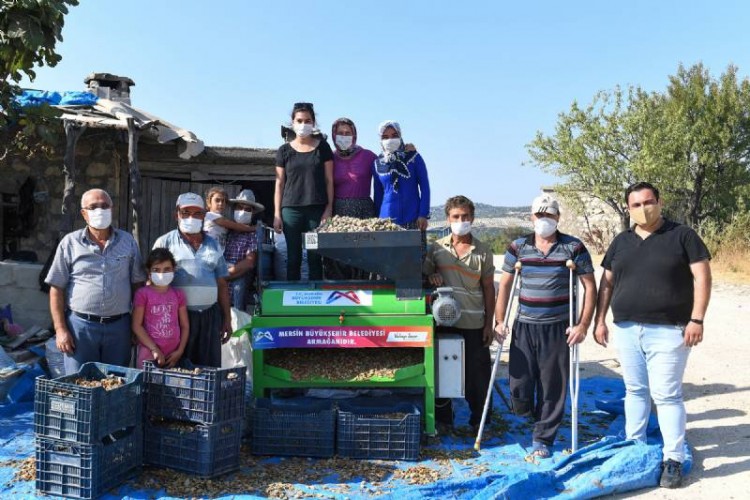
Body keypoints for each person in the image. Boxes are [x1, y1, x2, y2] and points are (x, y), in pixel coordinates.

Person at [594, 182, 711, 489]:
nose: (643, 209)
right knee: (634, 391)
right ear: (628, 209)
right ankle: (635, 446)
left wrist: (696, 319)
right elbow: (606, 284)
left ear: (659, 201)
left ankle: (672, 459)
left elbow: (702, 276)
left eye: (648, 202)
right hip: (627, 329)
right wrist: (599, 320)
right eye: (636, 205)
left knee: (667, 395)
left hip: (670, 330)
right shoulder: (621, 242)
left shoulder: (682, 236)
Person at [494, 194, 597, 458]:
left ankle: (543, 437)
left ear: (557, 218)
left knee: (552, 385)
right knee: (519, 383)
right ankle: (529, 413)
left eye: (549, 215)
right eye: (540, 216)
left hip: (558, 326)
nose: (544, 220)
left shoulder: (573, 247)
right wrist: (499, 320)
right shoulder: (518, 247)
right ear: (532, 218)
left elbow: (589, 286)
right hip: (525, 325)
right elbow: (505, 285)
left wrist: (582, 325)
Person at [45, 188, 146, 374]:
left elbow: (138, 285)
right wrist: (60, 329)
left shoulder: (128, 242)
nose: (99, 210)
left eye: (104, 206)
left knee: (116, 383)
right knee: (80, 383)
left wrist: (136, 326)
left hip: (120, 328)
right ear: (84, 213)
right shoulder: (70, 243)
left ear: (112, 209)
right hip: (80, 328)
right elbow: (56, 288)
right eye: (93, 207)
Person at [423, 195, 495, 433]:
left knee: (477, 374)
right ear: (448, 218)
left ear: (472, 218)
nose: (461, 221)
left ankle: (479, 420)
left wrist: (489, 324)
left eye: (465, 217)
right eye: (456, 217)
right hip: (445, 321)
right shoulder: (437, 248)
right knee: (443, 371)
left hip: (474, 322)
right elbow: (426, 276)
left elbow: (488, 288)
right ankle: (444, 420)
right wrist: (431, 277)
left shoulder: (482, 251)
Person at [153, 192, 232, 367]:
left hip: (209, 318)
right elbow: (152, 284)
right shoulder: (164, 242)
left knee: (208, 368)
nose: (191, 217)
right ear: (177, 215)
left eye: (197, 213)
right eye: (186, 213)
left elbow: (222, 284)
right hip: (176, 318)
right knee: (179, 368)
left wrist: (227, 318)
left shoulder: (213, 244)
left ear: (204, 215)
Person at [273, 102, 334, 280]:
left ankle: (317, 299)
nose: (303, 124)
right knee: (294, 258)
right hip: (291, 211)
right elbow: (279, 183)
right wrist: (277, 213)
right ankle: (292, 300)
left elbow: (330, 180)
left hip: (316, 211)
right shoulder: (283, 151)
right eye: (299, 120)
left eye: (307, 120)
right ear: (292, 122)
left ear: (313, 123)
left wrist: (329, 208)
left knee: (315, 256)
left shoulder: (323, 147)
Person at [326, 117, 378, 279]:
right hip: (338, 212)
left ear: (354, 135)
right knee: (339, 256)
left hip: (364, 212)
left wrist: (406, 149)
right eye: (340, 133)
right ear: (333, 136)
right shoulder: (329, 158)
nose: (344, 136)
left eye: (347, 132)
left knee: (365, 254)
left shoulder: (369, 156)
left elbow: (388, 171)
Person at [131, 248, 189, 369]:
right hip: (149, 353)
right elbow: (136, 325)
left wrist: (180, 350)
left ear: (173, 270)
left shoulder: (178, 294)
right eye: (156, 270)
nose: (162, 274)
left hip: (173, 354)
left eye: (167, 269)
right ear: (149, 272)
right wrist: (154, 349)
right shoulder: (142, 294)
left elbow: (185, 326)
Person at [372, 120, 430, 230]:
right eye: (385, 137)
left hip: (413, 219)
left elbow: (425, 187)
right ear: (381, 140)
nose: (390, 140)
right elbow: (378, 194)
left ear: (400, 135)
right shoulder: (377, 164)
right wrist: (376, 219)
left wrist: (423, 214)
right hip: (385, 222)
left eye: (394, 135)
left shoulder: (414, 158)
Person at [224, 189, 264, 310]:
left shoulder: (252, 234)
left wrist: (227, 274)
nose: (243, 212)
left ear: (252, 213)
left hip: (238, 276)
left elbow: (249, 262)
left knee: (239, 283)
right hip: (220, 275)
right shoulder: (225, 230)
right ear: (234, 209)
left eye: (247, 209)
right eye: (240, 208)